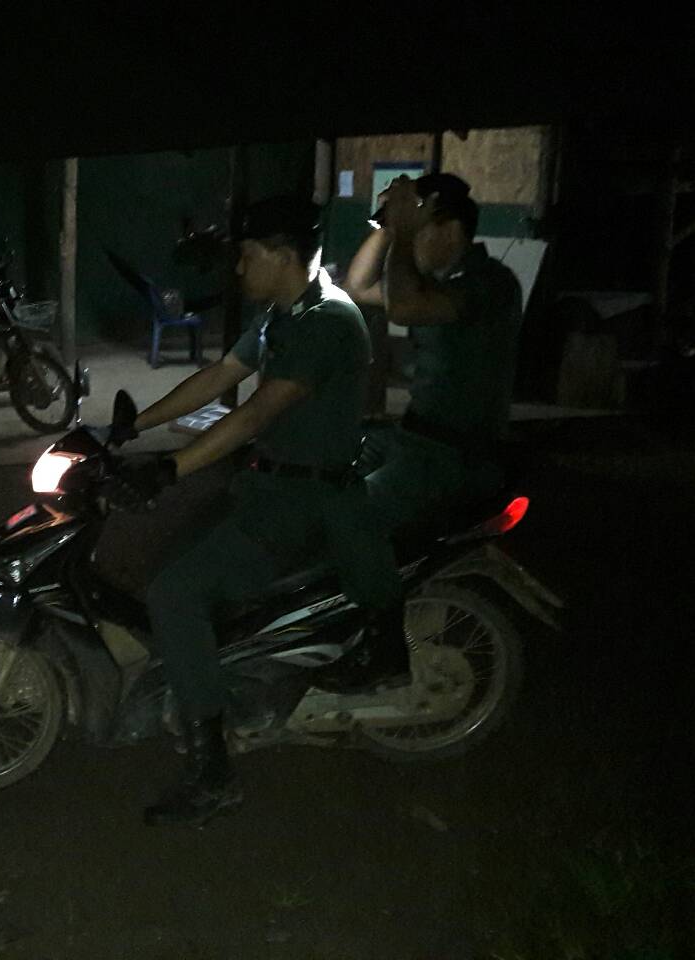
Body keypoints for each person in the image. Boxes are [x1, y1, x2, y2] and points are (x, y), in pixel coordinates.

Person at [120, 195, 402, 827]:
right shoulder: (283, 313)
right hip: (268, 489)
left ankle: (213, 774)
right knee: (178, 556)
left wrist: (167, 470)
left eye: (247, 255)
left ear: (281, 255)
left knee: (174, 594)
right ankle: (224, 683)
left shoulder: (328, 321)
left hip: (305, 504)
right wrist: (130, 428)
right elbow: (222, 375)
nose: (239, 268)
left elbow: (254, 415)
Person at [340, 173, 524, 532]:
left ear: (451, 231)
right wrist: (390, 225)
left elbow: (403, 308)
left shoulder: (490, 281)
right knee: (323, 468)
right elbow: (358, 287)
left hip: (454, 454)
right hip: (412, 436)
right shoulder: (434, 284)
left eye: (421, 231)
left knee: (352, 518)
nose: (413, 242)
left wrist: (403, 233)